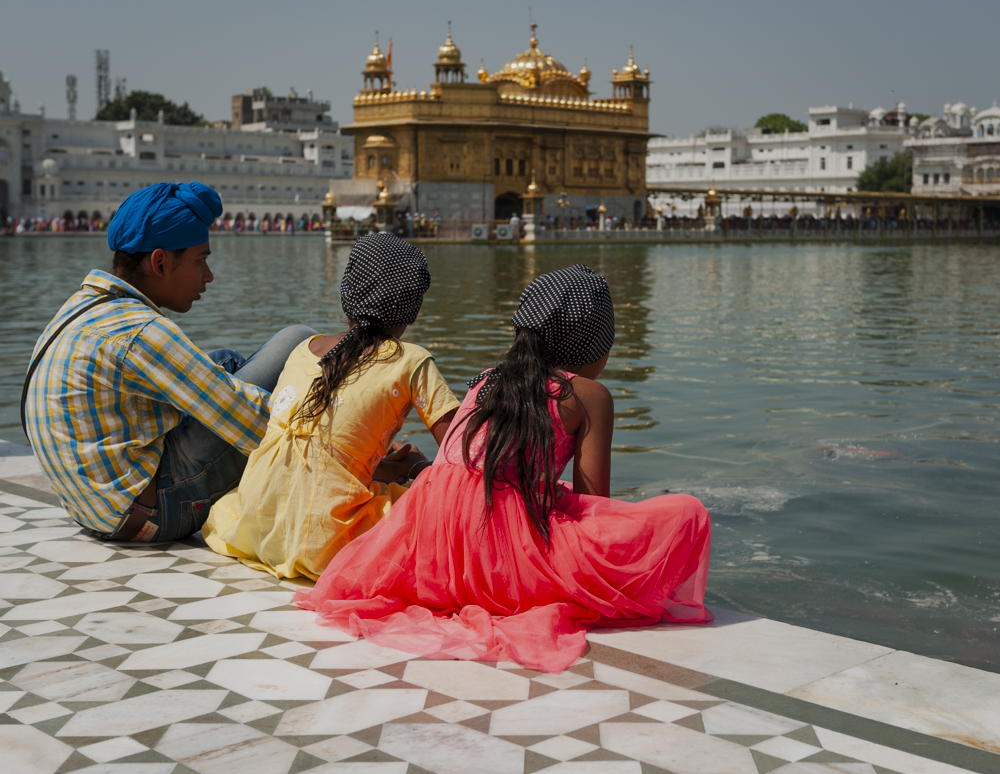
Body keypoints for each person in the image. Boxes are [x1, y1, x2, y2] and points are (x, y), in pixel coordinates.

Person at [296, 264, 713, 673]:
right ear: (595, 344)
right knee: (686, 515)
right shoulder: (588, 394)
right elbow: (595, 504)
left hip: (433, 549)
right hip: (497, 555)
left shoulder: (488, 379)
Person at [23, 182, 315, 543]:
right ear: (160, 262)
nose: (208, 276)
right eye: (201, 260)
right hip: (157, 511)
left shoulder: (80, 308)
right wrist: (355, 448)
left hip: (97, 513)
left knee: (225, 361)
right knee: (298, 340)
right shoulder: (141, 330)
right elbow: (249, 419)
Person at [203, 233, 461, 580]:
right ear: (409, 306)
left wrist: (380, 466)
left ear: (347, 293)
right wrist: (415, 468)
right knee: (430, 503)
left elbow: (322, 449)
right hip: (332, 545)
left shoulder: (303, 349)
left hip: (256, 529)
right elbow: (465, 455)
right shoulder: (410, 360)